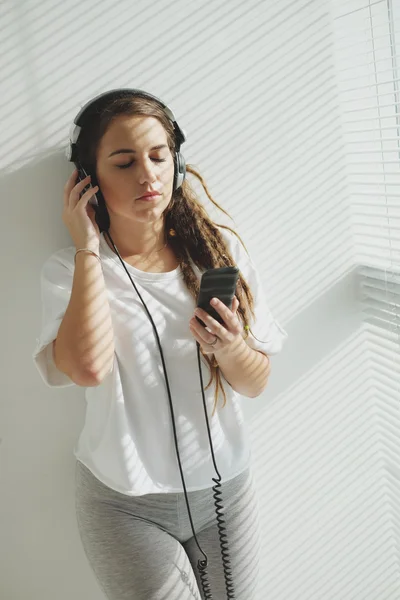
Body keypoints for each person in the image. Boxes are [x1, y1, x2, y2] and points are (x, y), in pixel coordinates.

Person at [33, 90, 288, 600]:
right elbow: (85, 368)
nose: (147, 175)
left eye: (158, 156)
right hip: (125, 503)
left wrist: (231, 347)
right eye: (124, 162)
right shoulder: (70, 271)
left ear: (179, 162)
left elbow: (255, 382)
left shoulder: (219, 253)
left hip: (223, 491)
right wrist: (87, 245)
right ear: (88, 179)